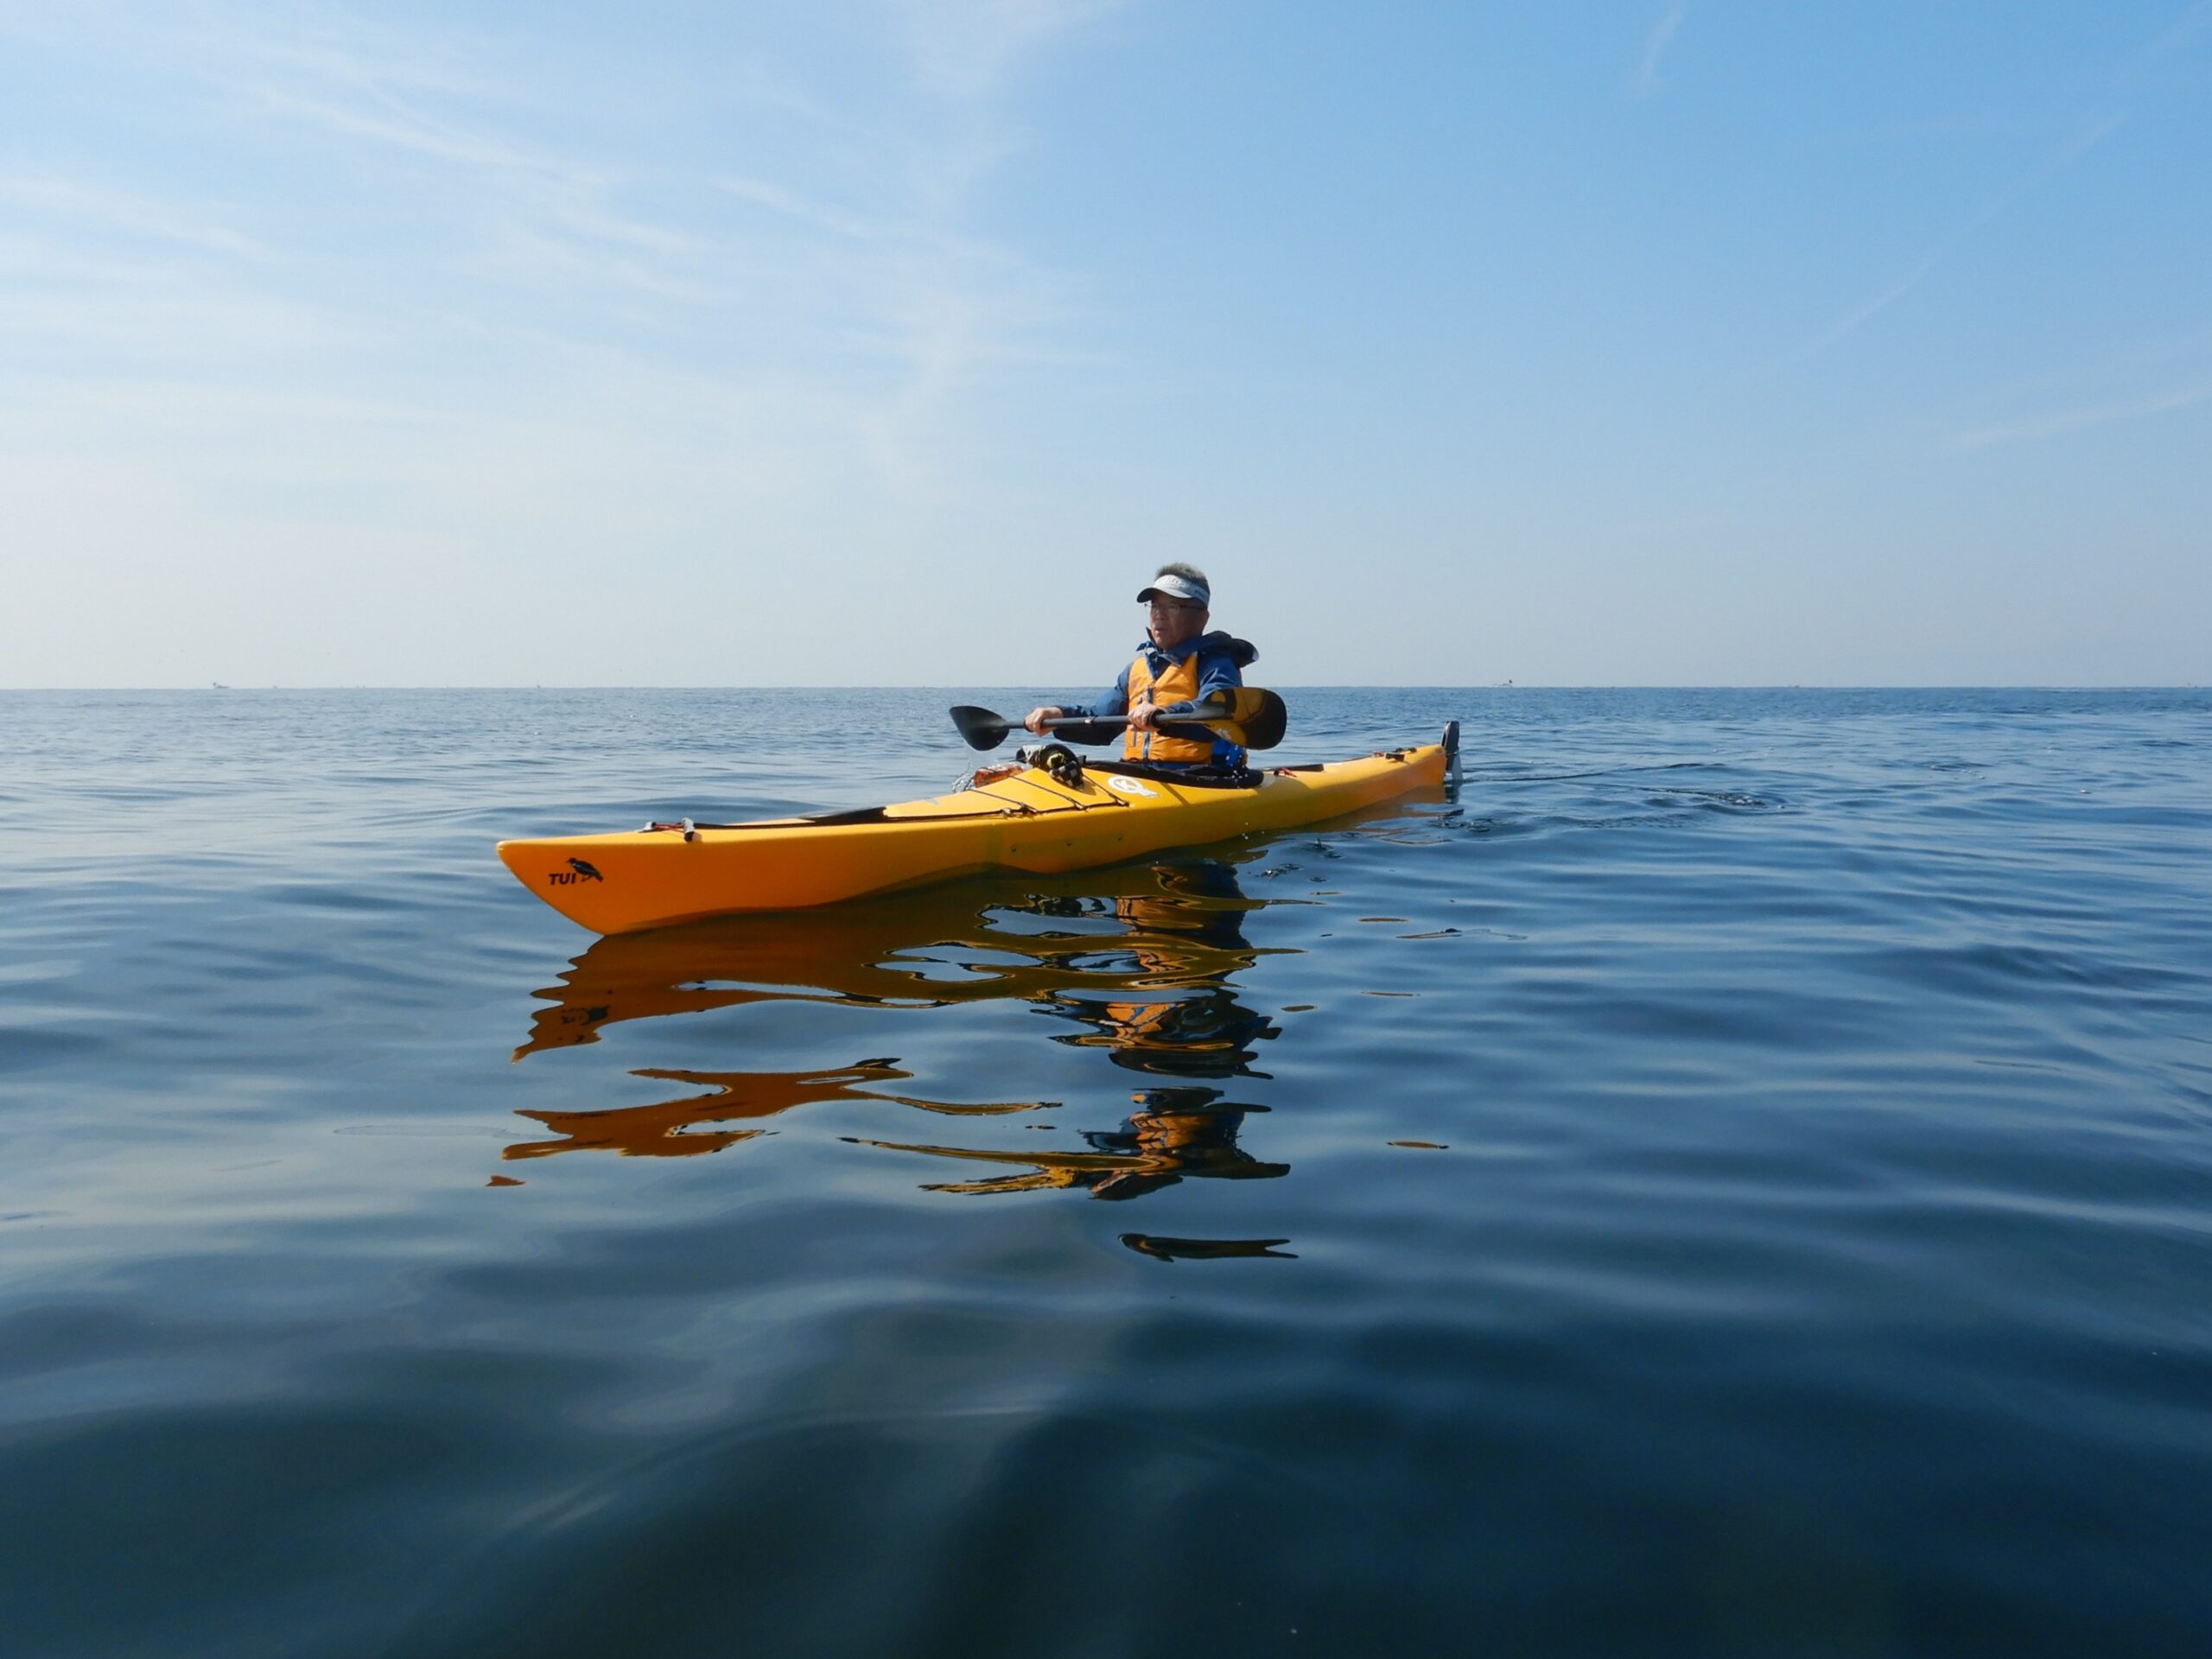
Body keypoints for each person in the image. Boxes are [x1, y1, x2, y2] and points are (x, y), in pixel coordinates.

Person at [1023, 563, 1254, 768]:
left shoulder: (1217, 663)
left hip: (1203, 777)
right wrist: (1058, 716)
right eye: (1154, 606)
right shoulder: (1137, 669)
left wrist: (1165, 713)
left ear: (1202, 617)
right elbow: (1102, 720)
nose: (1159, 615)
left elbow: (1217, 711)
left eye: (1172, 606)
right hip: (1140, 776)